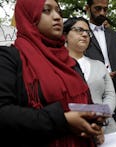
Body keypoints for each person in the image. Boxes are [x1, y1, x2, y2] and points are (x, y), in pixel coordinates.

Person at [0, 0, 106, 146]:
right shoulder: (9, 58)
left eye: (59, 11)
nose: (57, 17)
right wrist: (63, 120)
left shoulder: (69, 62)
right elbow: (4, 114)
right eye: (46, 10)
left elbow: (83, 103)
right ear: (29, 16)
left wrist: (93, 121)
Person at [63, 16, 116, 146]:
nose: (85, 34)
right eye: (79, 30)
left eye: (88, 32)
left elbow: (110, 95)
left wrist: (99, 123)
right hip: (73, 134)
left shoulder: (99, 65)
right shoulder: (57, 66)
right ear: (65, 35)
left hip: (108, 131)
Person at [84, 0, 116, 147]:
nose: (102, 13)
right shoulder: (81, 35)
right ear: (87, 8)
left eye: (105, 9)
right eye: (97, 9)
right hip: (95, 99)